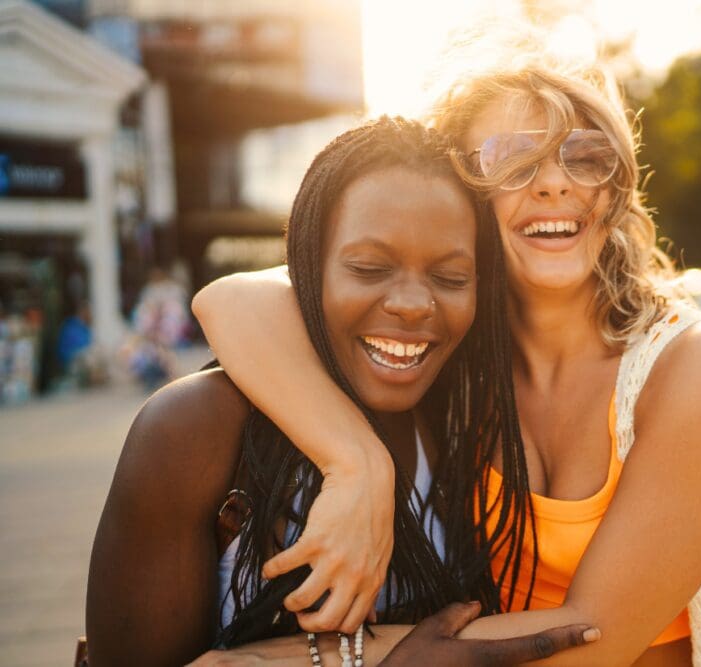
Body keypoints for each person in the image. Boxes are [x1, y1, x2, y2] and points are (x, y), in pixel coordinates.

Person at [194, 62, 701, 665]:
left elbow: (591, 641)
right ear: (466, 197)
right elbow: (231, 299)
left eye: (585, 156)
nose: (553, 184)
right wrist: (354, 463)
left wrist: (277, 661)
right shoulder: (454, 354)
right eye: (513, 160)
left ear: (615, 186)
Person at [86, 118, 601, 666]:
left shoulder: (463, 421)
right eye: (368, 268)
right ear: (307, 267)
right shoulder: (194, 428)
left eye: (451, 278)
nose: (412, 304)